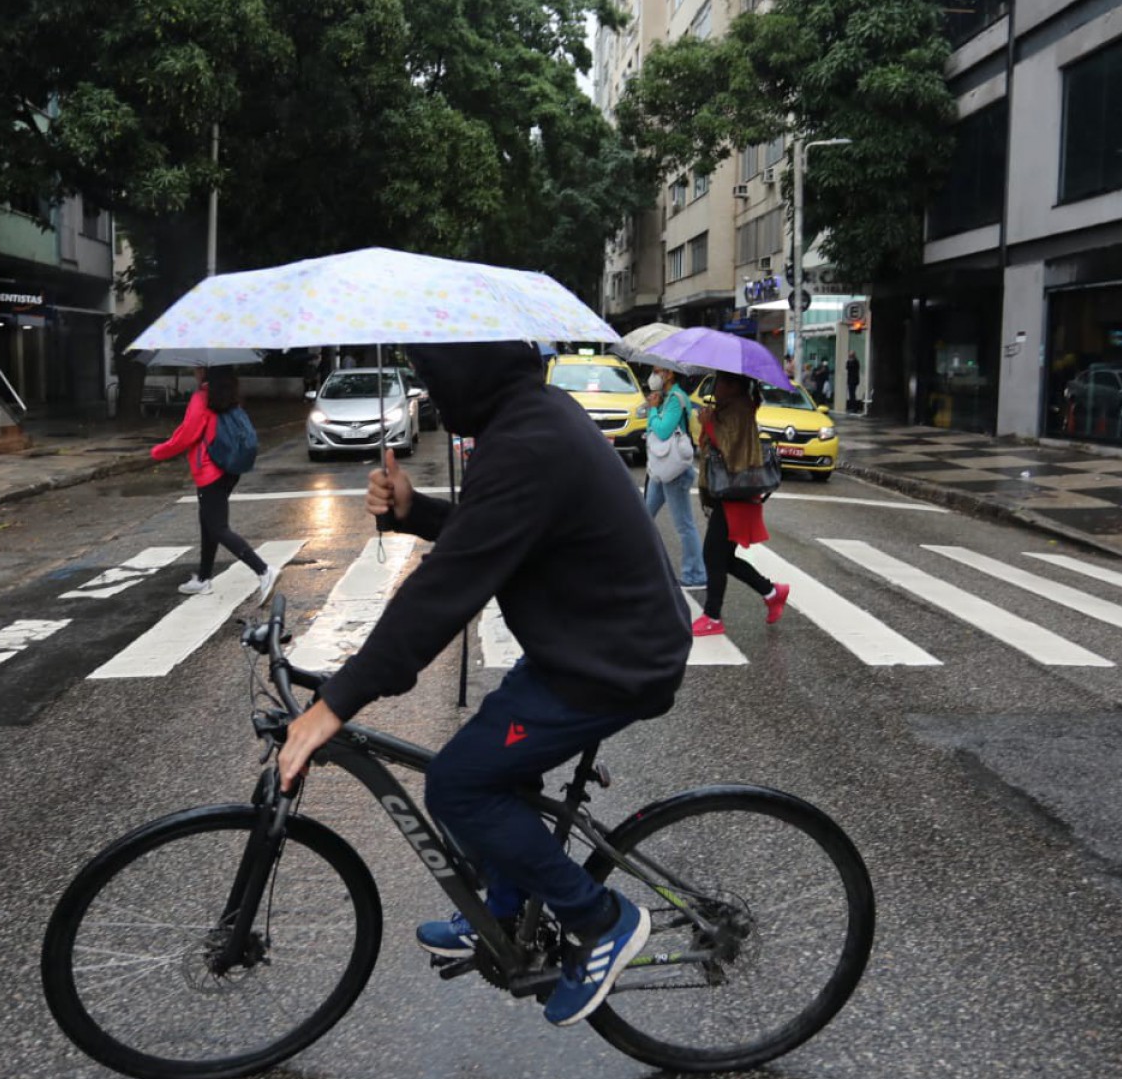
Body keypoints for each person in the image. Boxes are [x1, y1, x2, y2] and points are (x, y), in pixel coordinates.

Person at [276, 340, 691, 1029]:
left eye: (435, 377)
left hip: (612, 662)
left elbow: (446, 588)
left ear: (468, 374)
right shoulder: (528, 420)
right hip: (584, 643)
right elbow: (495, 530)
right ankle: (501, 908)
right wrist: (412, 508)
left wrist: (336, 703)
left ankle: (603, 920)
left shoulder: (529, 440)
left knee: (459, 785)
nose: (434, 395)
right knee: (477, 769)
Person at [150, 366, 278, 603]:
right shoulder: (228, 396)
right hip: (228, 469)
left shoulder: (202, 398)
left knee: (217, 527)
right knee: (208, 523)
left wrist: (158, 452)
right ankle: (203, 578)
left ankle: (263, 570)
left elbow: (187, 435)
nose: (194, 371)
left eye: (198, 368)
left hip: (210, 471)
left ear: (207, 373)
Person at [691, 372, 790, 638]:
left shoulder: (738, 409)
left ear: (733, 385)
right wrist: (709, 422)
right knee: (721, 558)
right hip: (730, 494)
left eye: (720, 382)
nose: (716, 387)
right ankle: (771, 592)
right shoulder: (731, 407)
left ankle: (713, 616)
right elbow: (710, 447)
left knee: (714, 555)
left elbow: (729, 451)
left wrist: (709, 423)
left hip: (735, 493)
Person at [638, 367, 706, 588]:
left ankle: (696, 574)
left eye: (658, 371)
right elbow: (652, 426)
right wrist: (653, 409)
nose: (654, 375)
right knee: (644, 517)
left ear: (669, 375)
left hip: (674, 471)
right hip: (661, 468)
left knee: (684, 524)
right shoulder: (666, 398)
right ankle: (640, 566)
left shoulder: (676, 398)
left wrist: (653, 411)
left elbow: (663, 430)